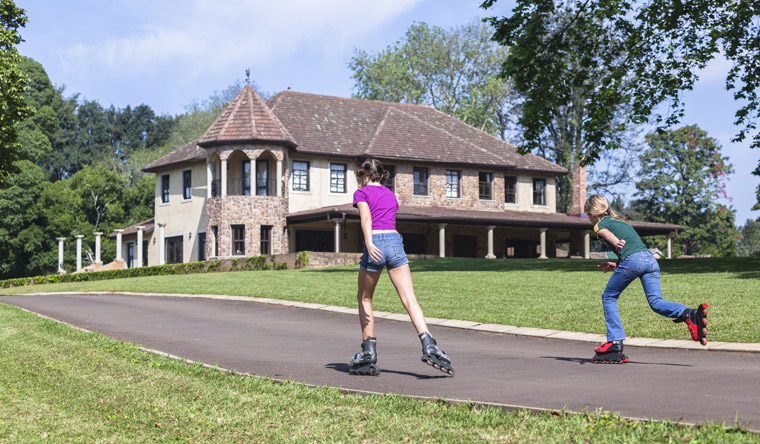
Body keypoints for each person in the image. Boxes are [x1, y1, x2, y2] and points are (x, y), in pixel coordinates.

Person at [348, 158, 454, 376]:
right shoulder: (390, 195)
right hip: (396, 243)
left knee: (365, 298)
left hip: (375, 242)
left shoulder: (361, 193)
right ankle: (429, 345)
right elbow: (386, 220)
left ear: (364, 174)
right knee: (409, 298)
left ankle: (368, 351)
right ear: (382, 174)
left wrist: (369, 244)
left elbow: (367, 218)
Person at [584, 194, 708, 364]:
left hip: (634, 261)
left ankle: (614, 342)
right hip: (649, 260)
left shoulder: (600, 225)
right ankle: (689, 313)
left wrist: (616, 242)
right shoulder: (621, 222)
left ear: (592, 213)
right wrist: (617, 263)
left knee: (609, 297)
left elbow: (608, 235)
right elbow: (634, 248)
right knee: (656, 302)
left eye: (587, 215)